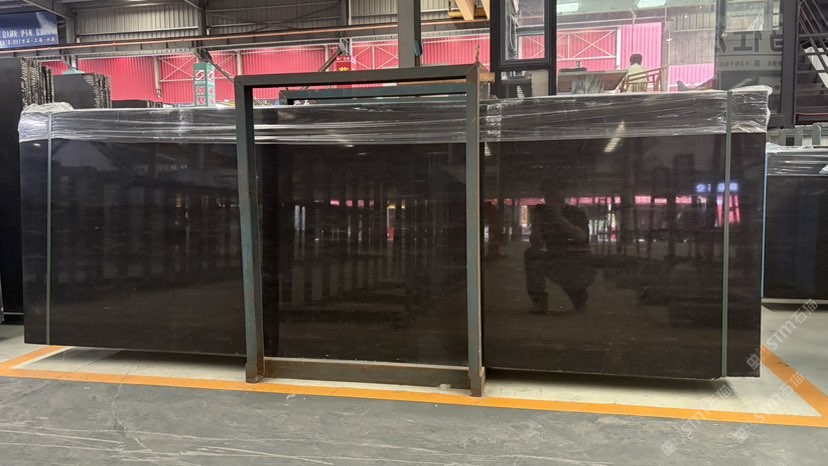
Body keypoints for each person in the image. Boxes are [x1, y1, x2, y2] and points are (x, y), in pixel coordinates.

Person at [524, 180, 594, 314]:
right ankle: (539, 302)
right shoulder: (543, 215)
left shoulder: (576, 213)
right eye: (547, 194)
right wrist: (536, 224)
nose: (549, 197)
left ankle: (578, 295)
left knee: (577, 296)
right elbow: (536, 244)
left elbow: (581, 237)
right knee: (532, 255)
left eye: (553, 193)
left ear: (562, 194)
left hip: (578, 262)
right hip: (556, 259)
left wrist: (558, 217)